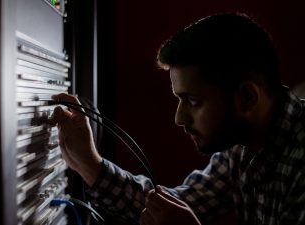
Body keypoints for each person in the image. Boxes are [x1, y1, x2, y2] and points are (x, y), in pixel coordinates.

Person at [49, 13, 305, 225]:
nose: (179, 118)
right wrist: (89, 164)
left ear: (247, 98)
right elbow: (171, 205)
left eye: (193, 101)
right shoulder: (240, 148)